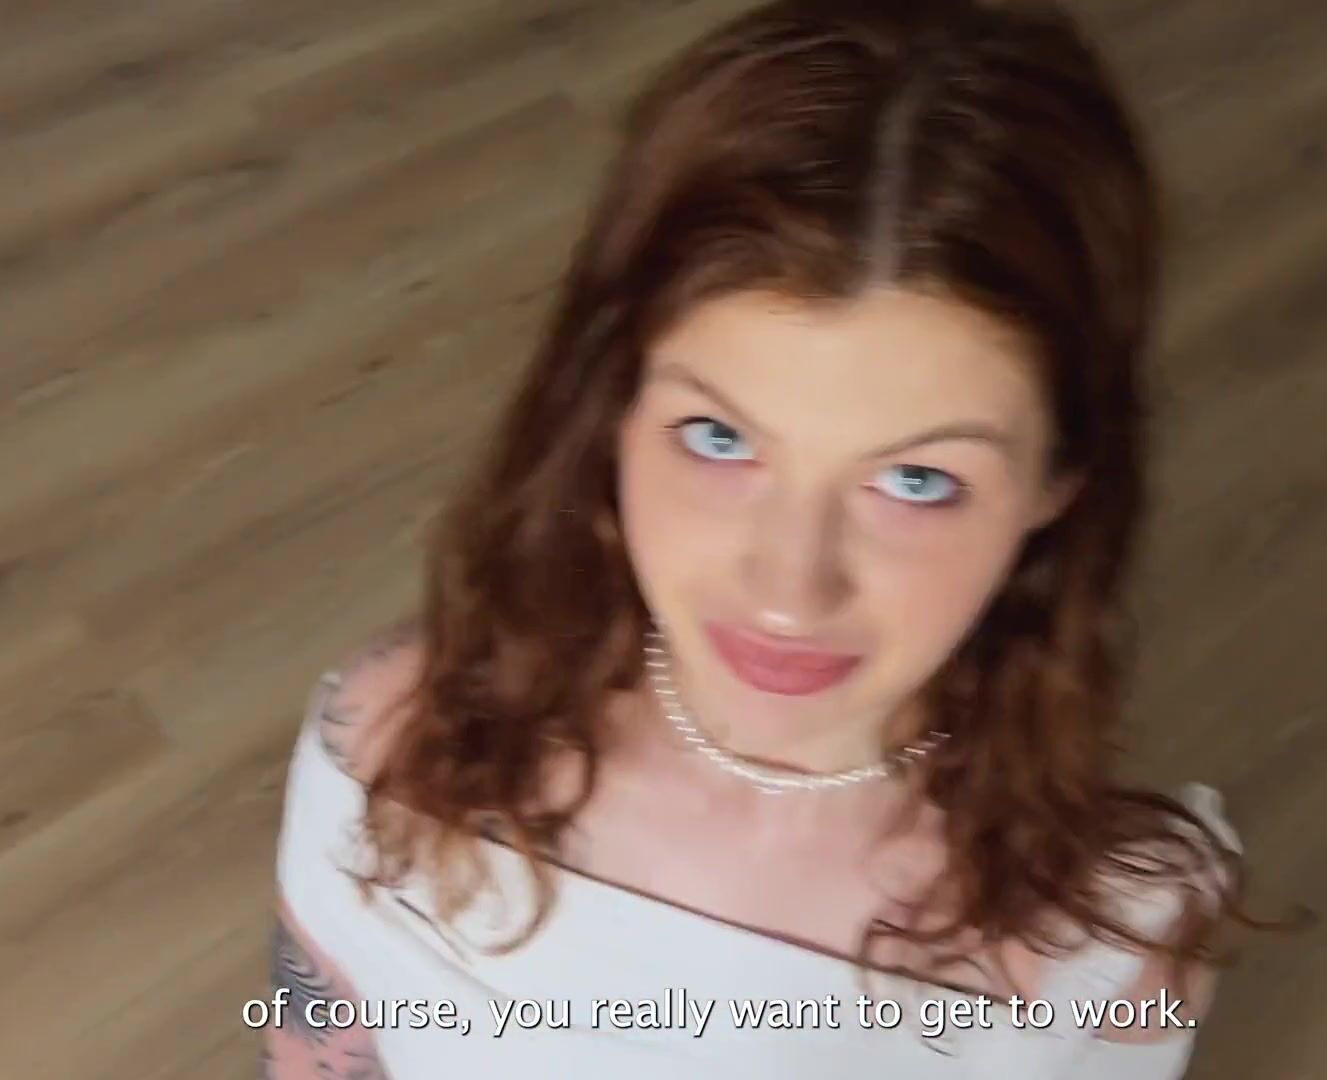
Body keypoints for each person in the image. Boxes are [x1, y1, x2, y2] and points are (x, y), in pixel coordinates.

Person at [263, 0, 1250, 1075]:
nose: (789, 589)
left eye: (917, 480)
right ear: (612, 409)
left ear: (1061, 480)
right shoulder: (392, 743)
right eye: (719, 437)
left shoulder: (1114, 943)